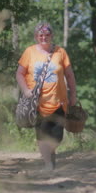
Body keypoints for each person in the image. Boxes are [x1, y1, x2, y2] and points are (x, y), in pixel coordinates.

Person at [16, 22, 77, 171]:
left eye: (47, 35)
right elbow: (19, 73)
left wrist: (73, 95)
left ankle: (50, 152)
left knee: (57, 136)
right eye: (40, 35)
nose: (44, 37)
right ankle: (48, 164)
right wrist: (25, 90)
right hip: (37, 103)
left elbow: (69, 75)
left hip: (59, 102)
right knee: (42, 135)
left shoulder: (60, 52)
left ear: (52, 35)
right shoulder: (29, 52)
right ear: (36, 37)